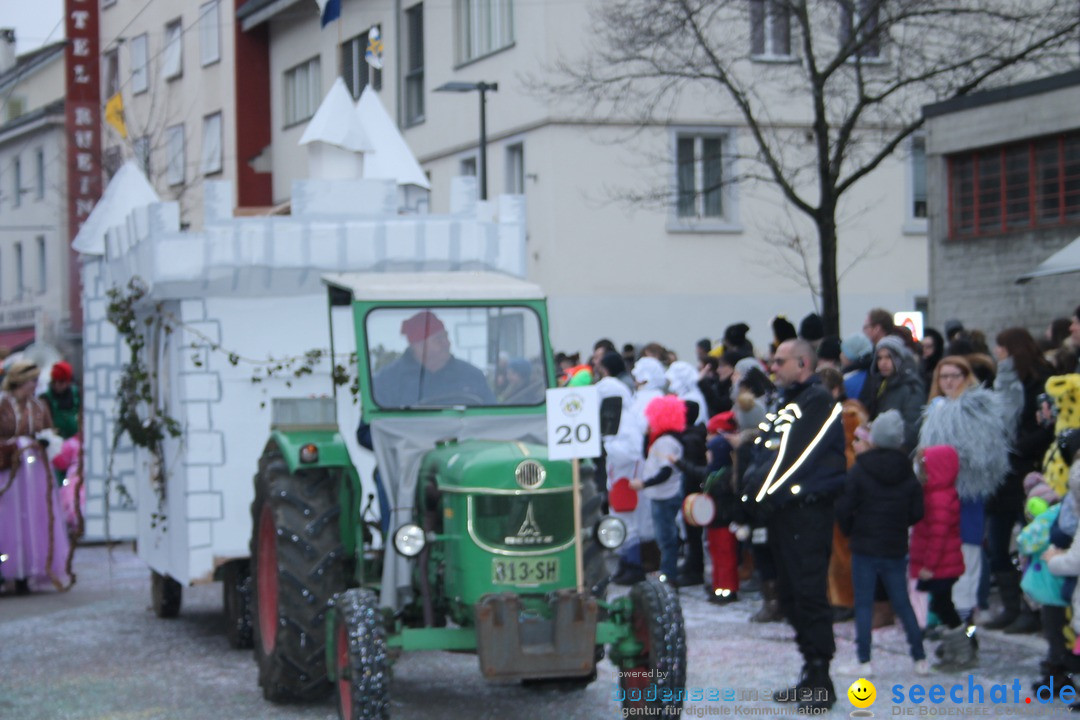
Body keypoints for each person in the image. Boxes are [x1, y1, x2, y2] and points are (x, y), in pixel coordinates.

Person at [741, 339, 847, 711]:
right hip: (783, 510)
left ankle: (821, 674)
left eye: (779, 361)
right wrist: (747, 492)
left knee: (807, 590)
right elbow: (765, 449)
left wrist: (757, 494)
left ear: (802, 363)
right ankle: (810, 668)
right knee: (789, 593)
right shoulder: (788, 400)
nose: (773, 367)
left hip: (807, 509)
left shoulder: (817, 401)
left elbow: (793, 457)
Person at [917, 355, 1011, 670]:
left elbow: (984, 459)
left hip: (964, 502)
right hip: (937, 501)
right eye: (944, 376)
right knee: (944, 574)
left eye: (955, 375)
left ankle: (967, 639)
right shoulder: (936, 410)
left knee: (964, 573)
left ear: (966, 376)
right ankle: (954, 638)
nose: (950, 382)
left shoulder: (975, 410)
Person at [835, 410, 928, 677]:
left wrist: (851, 529)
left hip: (864, 544)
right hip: (894, 545)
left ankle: (863, 661)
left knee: (863, 603)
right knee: (902, 602)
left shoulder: (861, 468)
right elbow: (917, 511)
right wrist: (899, 524)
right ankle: (919, 657)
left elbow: (844, 506)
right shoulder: (907, 471)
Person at [985, 328, 1055, 632]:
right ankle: (1012, 606)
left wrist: (1016, 446)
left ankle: (1032, 609)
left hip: (1028, 472)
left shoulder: (1040, 379)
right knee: (999, 544)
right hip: (1002, 474)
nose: (997, 354)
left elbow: (1047, 427)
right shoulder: (1001, 382)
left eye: (1000, 348)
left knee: (1030, 542)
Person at [0, 361, 72, 594]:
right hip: (9, 469)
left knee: (34, 517)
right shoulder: (3, 404)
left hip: (35, 472)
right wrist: (11, 446)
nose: (35, 385)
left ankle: (29, 570)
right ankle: (9, 569)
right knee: (8, 519)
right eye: (32, 380)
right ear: (21, 380)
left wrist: (45, 440)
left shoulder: (39, 405)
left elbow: (49, 430)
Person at [372, 311, 496, 407]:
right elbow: (368, 431)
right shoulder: (387, 381)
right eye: (439, 339)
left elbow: (494, 419)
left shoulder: (472, 375)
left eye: (446, 336)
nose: (447, 343)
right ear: (418, 346)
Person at [909, 445, 964, 656]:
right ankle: (955, 646)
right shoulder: (934, 493)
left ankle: (963, 647)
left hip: (940, 565)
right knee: (942, 605)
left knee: (944, 606)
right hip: (941, 564)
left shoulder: (938, 498)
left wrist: (928, 565)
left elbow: (938, 535)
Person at [630, 395, 687, 585]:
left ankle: (669, 576)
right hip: (663, 494)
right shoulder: (665, 439)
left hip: (665, 494)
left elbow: (665, 471)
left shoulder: (665, 442)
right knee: (666, 536)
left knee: (666, 538)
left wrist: (644, 484)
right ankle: (668, 574)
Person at [858, 335, 924, 451]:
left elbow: (913, 427)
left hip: (898, 451)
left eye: (888, 357)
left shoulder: (911, 387)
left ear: (898, 359)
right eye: (879, 358)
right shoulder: (879, 384)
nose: (883, 363)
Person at [40, 361, 79, 441]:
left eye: (61, 382)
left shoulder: (77, 394)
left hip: (76, 442)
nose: (57, 385)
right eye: (54, 381)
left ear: (68, 382)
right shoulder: (45, 398)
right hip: (55, 442)